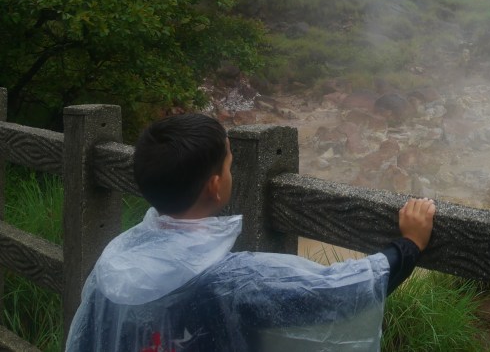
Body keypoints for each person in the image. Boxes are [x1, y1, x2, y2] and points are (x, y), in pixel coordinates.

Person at [65, 113, 435, 351]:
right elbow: (337, 291)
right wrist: (409, 245)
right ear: (215, 186)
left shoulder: (117, 257)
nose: (231, 173)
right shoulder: (233, 278)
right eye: (229, 165)